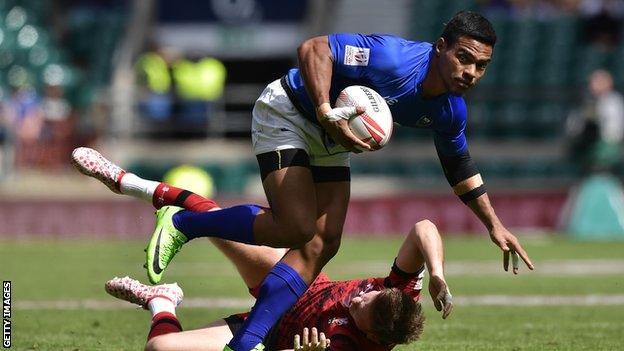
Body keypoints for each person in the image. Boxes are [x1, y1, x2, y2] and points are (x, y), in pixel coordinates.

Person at [72, 10, 532, 351]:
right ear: (441, 47)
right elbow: (314, 48)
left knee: (323, 242)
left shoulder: (451, 108)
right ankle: (182, 225)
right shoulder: (394, 60)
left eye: (481, 66)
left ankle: (246, 341)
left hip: (331, 137)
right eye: (465, 59)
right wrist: (324, 110)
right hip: (291, 110)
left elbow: (460, 166)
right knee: (295, 227)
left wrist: (493, 223)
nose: (471, 73)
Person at [73, 154, 451, 350]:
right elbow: (423, 229)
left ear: (378, 339)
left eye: (359, 311)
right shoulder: (400, 293)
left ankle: (161, 301)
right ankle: (127, 182)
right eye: (366, 295)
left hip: (267, 336)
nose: (357, 298)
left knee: (159, 349)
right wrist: (436, 273)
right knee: (218, 222)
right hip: (300, 280)